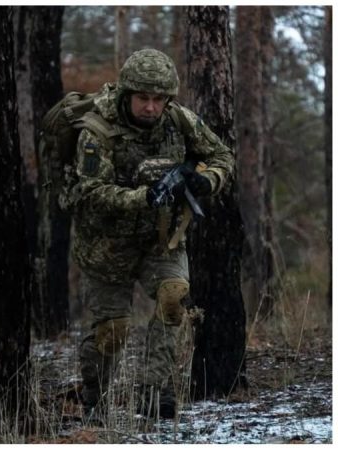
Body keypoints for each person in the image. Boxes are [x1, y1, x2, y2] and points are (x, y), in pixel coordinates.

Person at [64, 48, 235, 420]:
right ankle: (95, 398)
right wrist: (146, 196)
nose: (151, 108)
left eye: (159, 99)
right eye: (143, 98)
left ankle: (155, 393)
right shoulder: (97, 132)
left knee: (173, 298)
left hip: (162, 241)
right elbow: (90, 194)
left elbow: (223, 156)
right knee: (113, 331)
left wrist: (204, 180)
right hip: (105, 246)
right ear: (127, 94)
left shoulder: (179, 120)